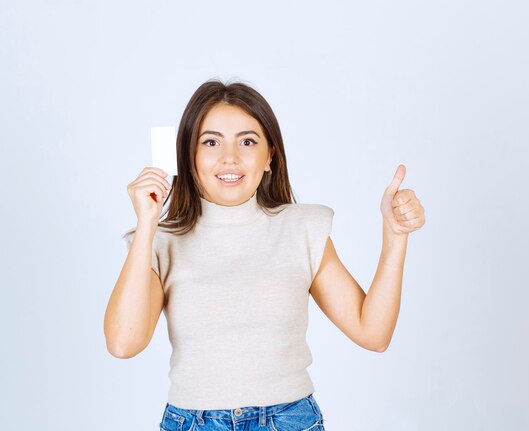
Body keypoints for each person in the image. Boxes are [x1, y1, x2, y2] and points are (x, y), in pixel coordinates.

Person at [104, 79, 425, 431]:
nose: (230, 157)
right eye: (211, 142)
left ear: (269, 155)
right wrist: (148, 224)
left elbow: (373, 333)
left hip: (288, 421)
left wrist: (394, 235)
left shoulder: (302, 228)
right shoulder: (160, 242)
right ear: (188, 156)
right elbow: (123, 343)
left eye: (247, 141)